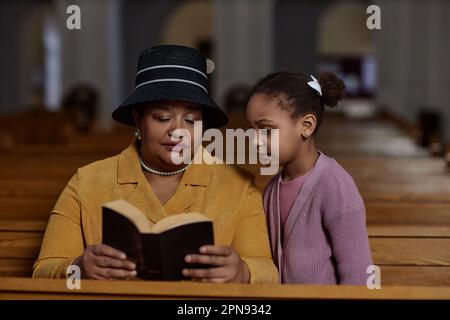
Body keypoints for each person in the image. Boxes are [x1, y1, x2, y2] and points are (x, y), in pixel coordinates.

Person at [33, 45, 278, 284]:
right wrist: (78, 269)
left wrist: (243, 272)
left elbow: (268, 273)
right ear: (138, 120)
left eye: (191, 120)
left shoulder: (239, 186)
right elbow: (43, 271)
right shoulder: (87, 182)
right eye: (163, 117)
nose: (178, 131)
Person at [245, 71, 373, 284]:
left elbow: (359, 273)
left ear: (306, 126)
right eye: (252, 130)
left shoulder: (335, 185)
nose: (255, 141)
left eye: (267, 130)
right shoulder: (271, 190)